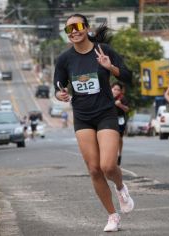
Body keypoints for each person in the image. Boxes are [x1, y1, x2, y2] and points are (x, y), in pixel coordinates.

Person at [54, 13, 134, 232]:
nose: (74, 31)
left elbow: (128, 76)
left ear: (87, 27)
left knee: (108, 166)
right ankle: (112, 215)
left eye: (78, 26)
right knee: (94, 169)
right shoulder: (64, 59)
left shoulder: (103, 51)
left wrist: (110, 68)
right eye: (69, 29)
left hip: (106, 113)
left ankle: (120, 187)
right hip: (82, 116)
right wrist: (59, 95)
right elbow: (58, 86)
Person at [111, 82, 129, 166]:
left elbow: (127, 109)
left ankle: (119, 154)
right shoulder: (108, 97)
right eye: (115, 89)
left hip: (120, 119)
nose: (116, 91)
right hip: (109, 119)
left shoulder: (122, 98)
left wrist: (120, 105)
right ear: (111, 89)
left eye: (118, 90)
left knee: (118, 138)